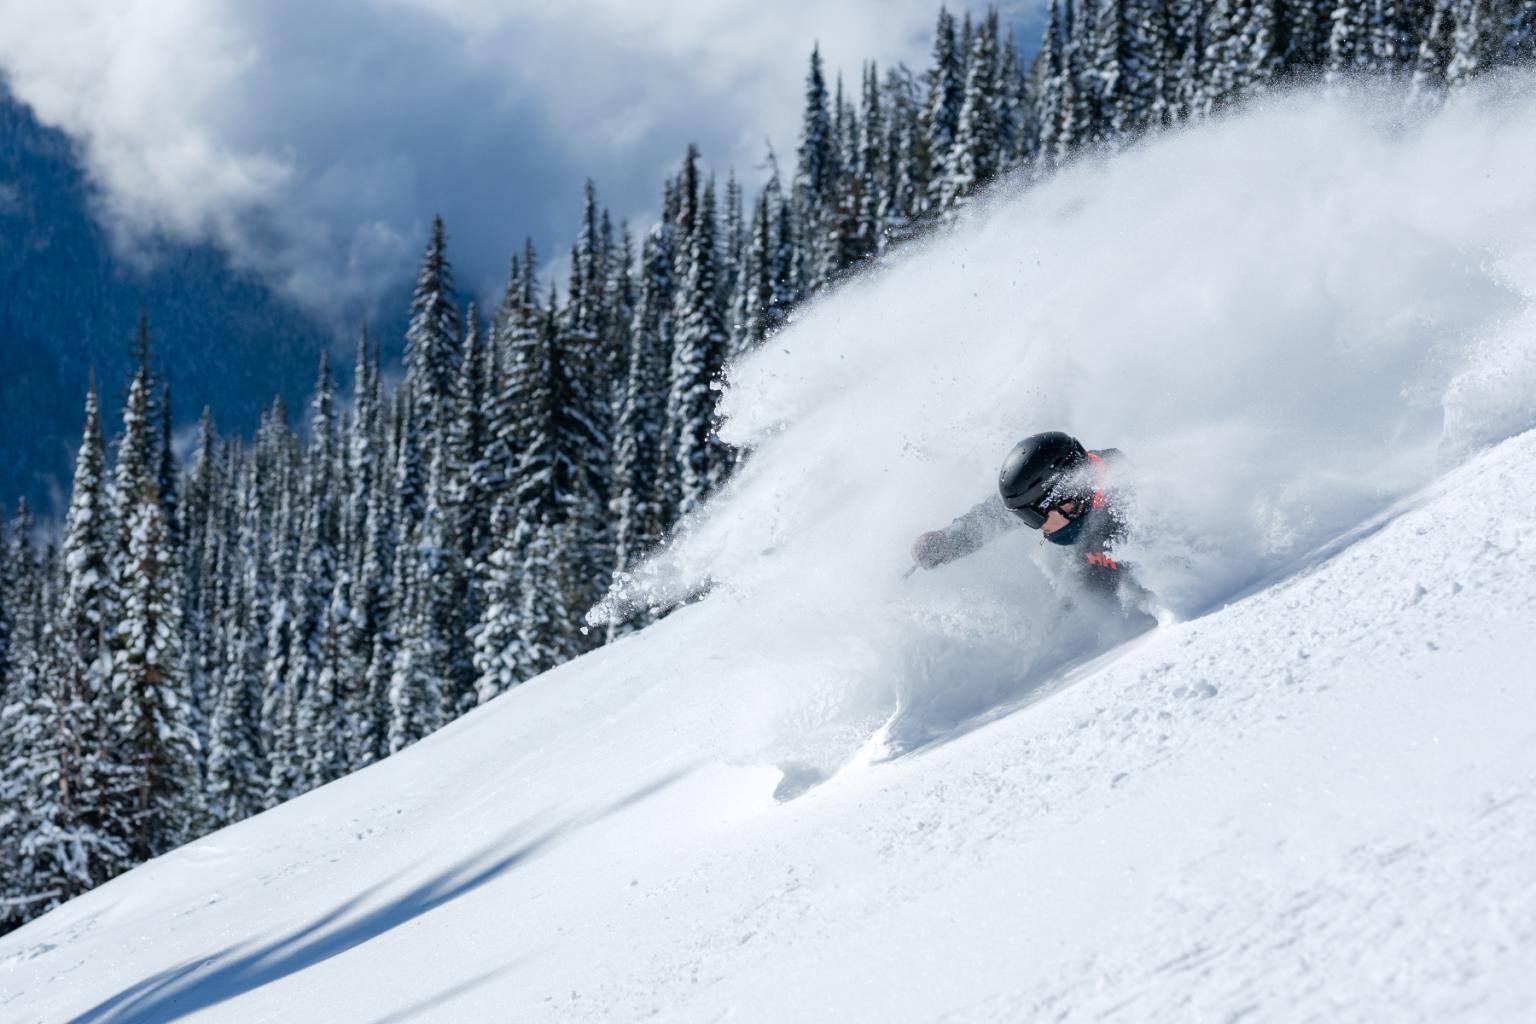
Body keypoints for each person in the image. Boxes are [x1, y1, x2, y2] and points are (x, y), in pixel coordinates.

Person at [910, 431, 1141, 602]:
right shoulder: (1077, 496)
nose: (1037, 528)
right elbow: (993, 517)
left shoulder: (1131, 506)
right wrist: (949, 542)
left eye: (1032, 517)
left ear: (1065, 500)